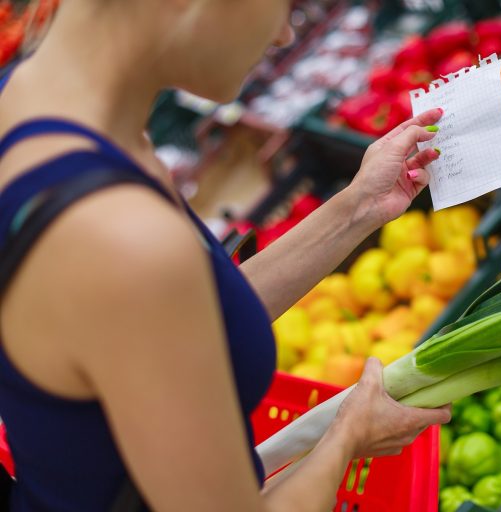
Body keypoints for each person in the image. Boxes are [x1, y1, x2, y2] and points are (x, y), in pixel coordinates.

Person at [0, 0, 451, 510]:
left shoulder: (41, 109)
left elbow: (183, 323)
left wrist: (359, 207)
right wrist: (347, 436)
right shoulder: (121, 237)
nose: (283, 35)